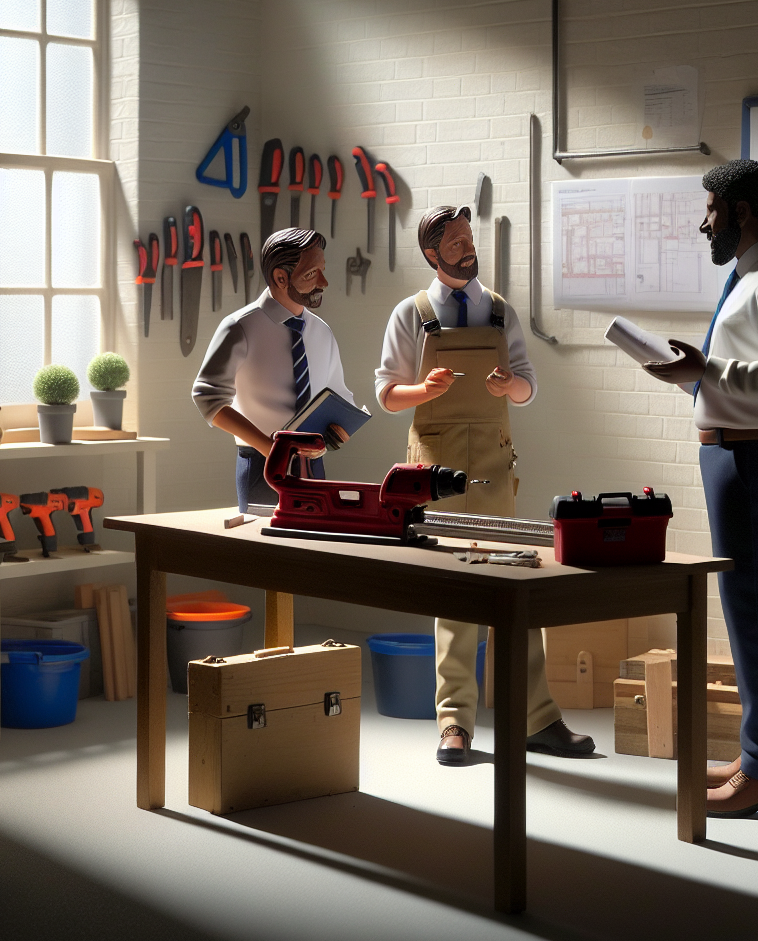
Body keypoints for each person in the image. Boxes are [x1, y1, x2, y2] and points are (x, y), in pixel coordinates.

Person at [376, 204, 593, 766]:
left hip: (495, 469)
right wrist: (423, 390)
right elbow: (385, 394)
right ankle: (455, 724)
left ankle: (537, 719)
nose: (468, 248)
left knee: (517, 581)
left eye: (469, 238)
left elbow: (529, 388)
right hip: (436, 469)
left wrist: (508, 389)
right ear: (432, 252)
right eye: (456, 241)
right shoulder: (411, 313)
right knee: (455, 594)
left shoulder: (499, 311)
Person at [642, 159, 758, 817]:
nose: (704, 222)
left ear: (741, 212)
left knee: (752, 613)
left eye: (712, 210)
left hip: (751, 462)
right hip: (739, 459)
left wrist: (708, 367)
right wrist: (690, 376)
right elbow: (741, 378)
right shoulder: (748, 280)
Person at [194, 227, 361, 511]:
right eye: (311, 274)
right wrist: (268, 448)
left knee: (312, 545)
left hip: (313, 466)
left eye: (322, 270)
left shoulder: (322, 332)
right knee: (263, 547)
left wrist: (332, 437)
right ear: (280, 277)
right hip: (262, 466)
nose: (324, 282)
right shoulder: (240, 327)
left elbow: (338, 396)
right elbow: (207, 398)